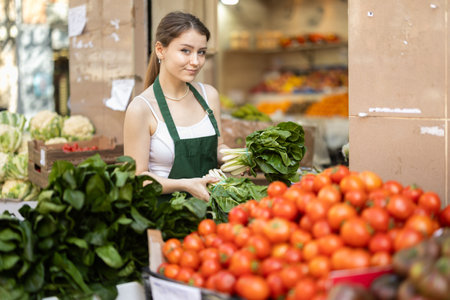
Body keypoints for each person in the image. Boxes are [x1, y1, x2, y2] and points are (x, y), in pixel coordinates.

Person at [123, 11, 228, 202]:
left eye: (201, 52)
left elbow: (217, 148)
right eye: (185, 51)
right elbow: (136, 178)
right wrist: (185, 184)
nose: (195, 61)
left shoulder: (209, 95)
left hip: (213, 212)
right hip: (166, 216)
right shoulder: (141, 108)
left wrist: (240, 158)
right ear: (160, 50)